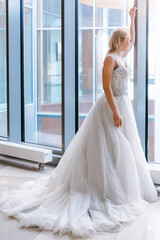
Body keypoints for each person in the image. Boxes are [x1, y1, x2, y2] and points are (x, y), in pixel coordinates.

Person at [0, 6, 158, 238]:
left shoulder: (122, 56)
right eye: (126, 40)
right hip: (111, 106)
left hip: (124, 104)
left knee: (122, 149)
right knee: (108, 148)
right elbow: (105, 87)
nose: (129, 43)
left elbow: (134, 39)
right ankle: (100, 188)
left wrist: (132, 18)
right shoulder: (109, 59)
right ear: (119, 41)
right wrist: (115, 111)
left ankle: (118, 189)